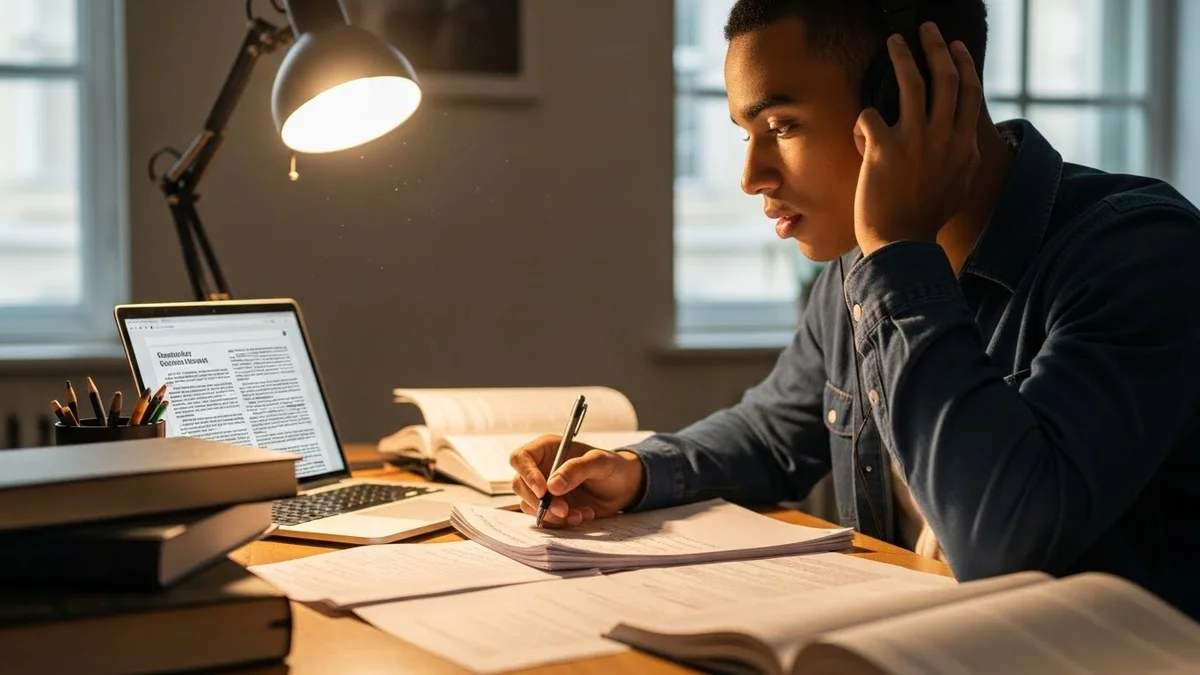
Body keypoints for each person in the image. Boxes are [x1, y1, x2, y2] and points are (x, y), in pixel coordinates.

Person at [509, 0, 1200, 619]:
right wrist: (637, 472)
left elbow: (1005, 541)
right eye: (744, 131)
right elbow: (772, 432)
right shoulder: (859, 264)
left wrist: (901, 252)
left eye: (781, 124)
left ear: (909, 103)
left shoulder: (1139, 255)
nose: (751, 177)